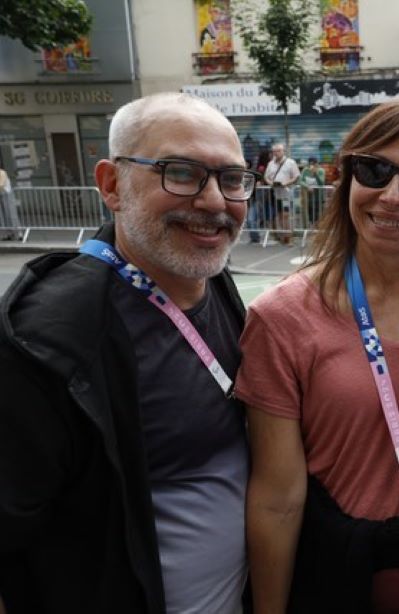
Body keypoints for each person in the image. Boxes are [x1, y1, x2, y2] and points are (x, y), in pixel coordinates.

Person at [236, 99, 399, 613]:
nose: (393, 196)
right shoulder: (281, 317)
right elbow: (276, 500)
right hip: (344, 582)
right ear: (348, 178)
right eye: (375, 170)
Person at [0, 92, 254, 612]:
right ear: (112, 185)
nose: (213, 202)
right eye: (181, 173)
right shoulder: (48, 339)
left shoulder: (216, 286)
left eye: (231, 179)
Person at [262, 142, 299, 244]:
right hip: (275, 194)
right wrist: (271, 183)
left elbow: (296, 176)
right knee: (279, 215)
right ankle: (284, 235)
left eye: (278, 151)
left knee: (286, 215)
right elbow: (266, 177)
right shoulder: (270, 164)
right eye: (274, 151)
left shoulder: (290, 162)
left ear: (283, 151)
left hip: (287, 193)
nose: (276, 153)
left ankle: (289, 237)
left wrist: (286, 183)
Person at [299, 156, 326, 227]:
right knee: (310, 214)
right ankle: (311, 228)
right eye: (310, 164)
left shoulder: (321, 171)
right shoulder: (305, 170)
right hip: (308, 197)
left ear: (317, 164)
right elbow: (300, 181)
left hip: (318, 197)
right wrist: (307, 186)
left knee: (318, 214)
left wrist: (315, 173)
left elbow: (321, 183)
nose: (312, 166)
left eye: (314, 164)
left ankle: (317, 229)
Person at [0, 162, 22, 240]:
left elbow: (1, 185)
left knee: (11, 214)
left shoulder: (2, 172)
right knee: (1, 217)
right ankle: (6, 234)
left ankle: (18, 234)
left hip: (6, 194)